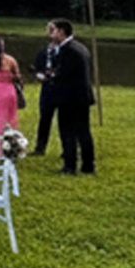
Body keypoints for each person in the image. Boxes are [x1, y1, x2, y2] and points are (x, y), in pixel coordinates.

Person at [47, 19, 97, 175]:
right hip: (81, 96)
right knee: (83, 131)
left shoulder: (68, 50)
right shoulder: (80, 47)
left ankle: (70, 165)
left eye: (53, 31)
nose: (51, 34)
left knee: (68, 131)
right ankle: (88, 165)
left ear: (61, 32)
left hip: (69, 98)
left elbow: (64, 74)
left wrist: (51, 76)